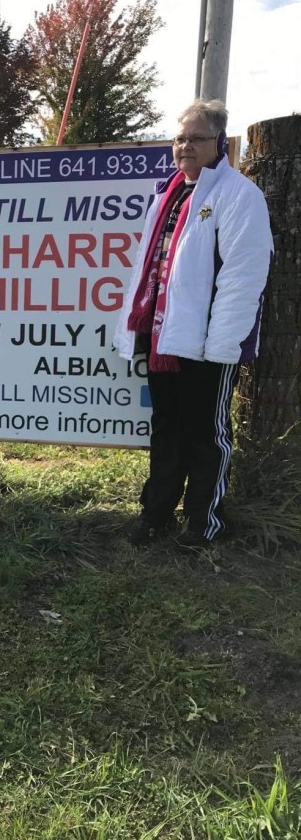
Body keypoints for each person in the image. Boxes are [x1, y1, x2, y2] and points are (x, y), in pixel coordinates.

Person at [114, 98, 273, 550]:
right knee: (167, 429)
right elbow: (151, 270)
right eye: (180, 137)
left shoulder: (239, 195)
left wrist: (222, 345)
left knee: (206, 435)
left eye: (196, 138)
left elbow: (242, 277)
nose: (185, 146)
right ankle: (156, 514)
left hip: (208, 345)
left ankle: (204, 523)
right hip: (164, 338)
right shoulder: (168, 192)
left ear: (219, 143)